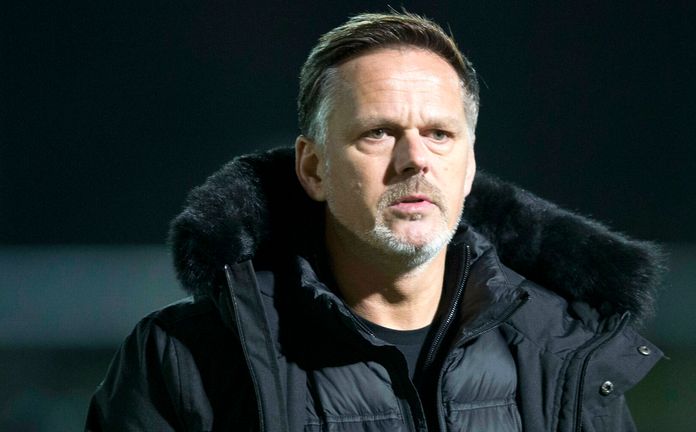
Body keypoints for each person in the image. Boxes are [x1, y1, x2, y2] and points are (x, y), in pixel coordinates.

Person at [86, 11, 665, 431]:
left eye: (439, 134)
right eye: (378, 132)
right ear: (313, 168)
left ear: (468, 169)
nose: (414, 158)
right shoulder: (184, 358)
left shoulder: (561, 350)